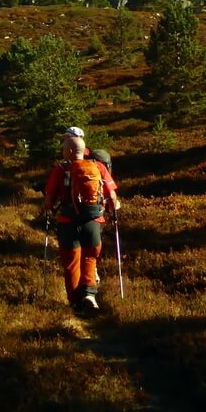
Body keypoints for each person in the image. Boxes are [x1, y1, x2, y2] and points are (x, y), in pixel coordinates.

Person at [42, 134, 121, 316]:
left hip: (68, 224)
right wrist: (111, 207)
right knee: (90, 258)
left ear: (70, 151)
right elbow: (112, 197)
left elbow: (48, 202)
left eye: (63, 149)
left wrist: (50, 207)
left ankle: (76, 304)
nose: (62, 151)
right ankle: (89, 296)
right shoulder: (98, 166)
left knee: (71, 263)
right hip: (93, 223)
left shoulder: (60, 170)